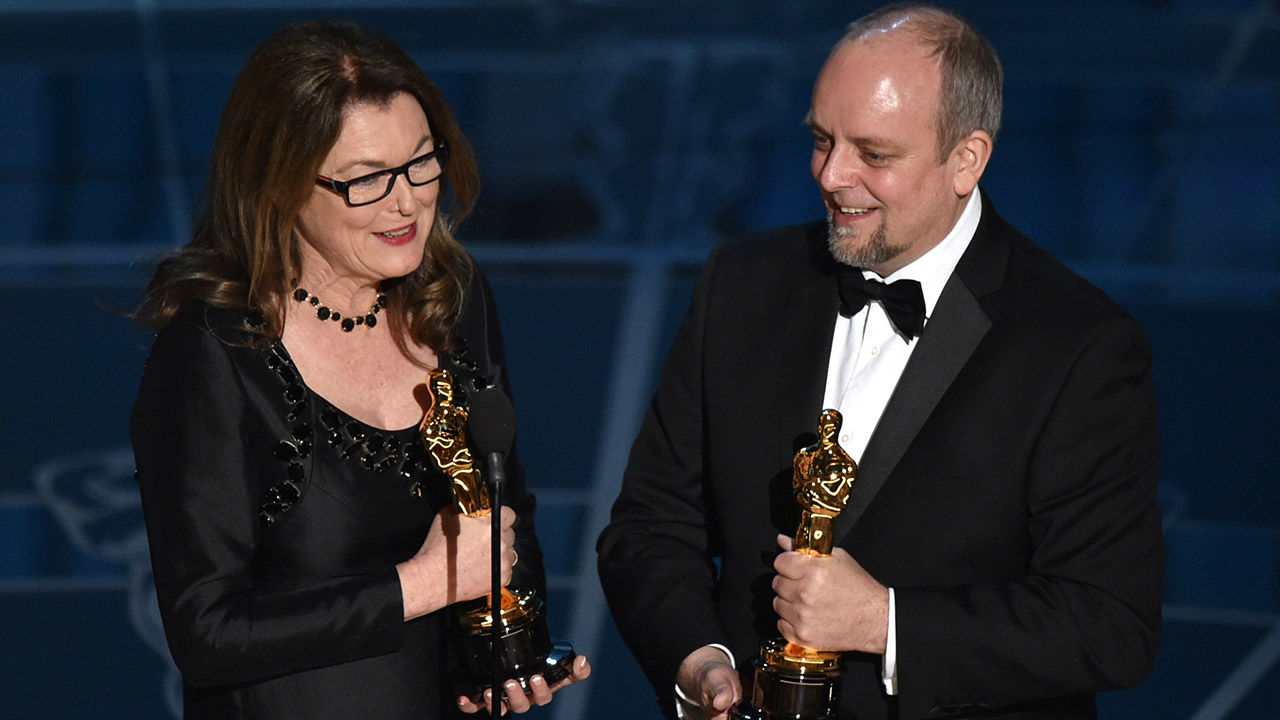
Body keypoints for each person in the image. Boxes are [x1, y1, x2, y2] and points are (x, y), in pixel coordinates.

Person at [597, 4, 1162, 719]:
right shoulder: (741, 283)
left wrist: (885, 623)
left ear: (967, 159)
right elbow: (651, 526)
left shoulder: (1079, 344)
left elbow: (1111, 626)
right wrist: (698, 662)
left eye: (874, 153)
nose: (833, 175)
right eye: (821, 140)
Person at [131, 19, 588, 719]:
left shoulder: (454, 300)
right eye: (366, 180)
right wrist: (420, 585)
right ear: (278, 186)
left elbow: (504, 510)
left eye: (421, 161)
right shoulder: (213, 356)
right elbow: (207, 632)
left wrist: (501, 659)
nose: (407, 202)